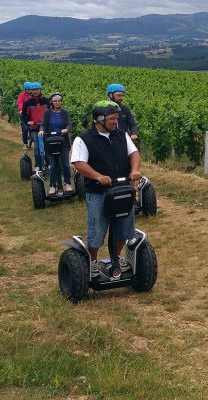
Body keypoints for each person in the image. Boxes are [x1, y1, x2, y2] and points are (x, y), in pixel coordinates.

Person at [70, 100, 141, 279]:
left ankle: (116, 257)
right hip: (98, 192)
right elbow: (78, 163)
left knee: (125, 227)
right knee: (97, 230)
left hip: (122, 189)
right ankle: (93, 261)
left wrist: (134, 170)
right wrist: (97, 176)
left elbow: (134, 153)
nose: (116, 121)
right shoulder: (84, 138)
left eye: (117, 118)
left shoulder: (121, 135)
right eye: (112, 119)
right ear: (99, 120)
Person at [40, 93, 73, 196]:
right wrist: (41, 130)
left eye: (59, 100)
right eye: (55, 101)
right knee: (53, 165)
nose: (57, 102)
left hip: (63, 141)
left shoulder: (65, 112)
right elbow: (43, 124)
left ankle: (67, 183)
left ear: (61, 102)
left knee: (65, 164)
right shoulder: (47, 113)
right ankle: (53, 185)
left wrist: (66, 130)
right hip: (51, 142)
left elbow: (69, 124)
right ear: (52, 102)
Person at [21, 83, 48, 170]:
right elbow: (24, 115)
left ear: (40, 90)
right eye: (33, 90)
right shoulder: (28, 103)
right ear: (31, 91)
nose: (35, 91)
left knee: (47, 147)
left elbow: (50, 113)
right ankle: (38, 165)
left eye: (37, 89)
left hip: (46, 128)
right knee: (37, 148)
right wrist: (28, 122)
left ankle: (48, 165)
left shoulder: (46, 101)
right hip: (34, 128)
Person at [17, 81, 33, 148]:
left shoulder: (33, 95)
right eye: (28, 89)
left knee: (33, 128)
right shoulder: (21, 96)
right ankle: (25, 143)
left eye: (30, 89)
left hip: (32, 115)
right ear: (25, 89)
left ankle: (31, 140)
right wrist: (21, 110)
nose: (29, 91)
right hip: (24, 115)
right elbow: (20, 103)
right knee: (25, 128)